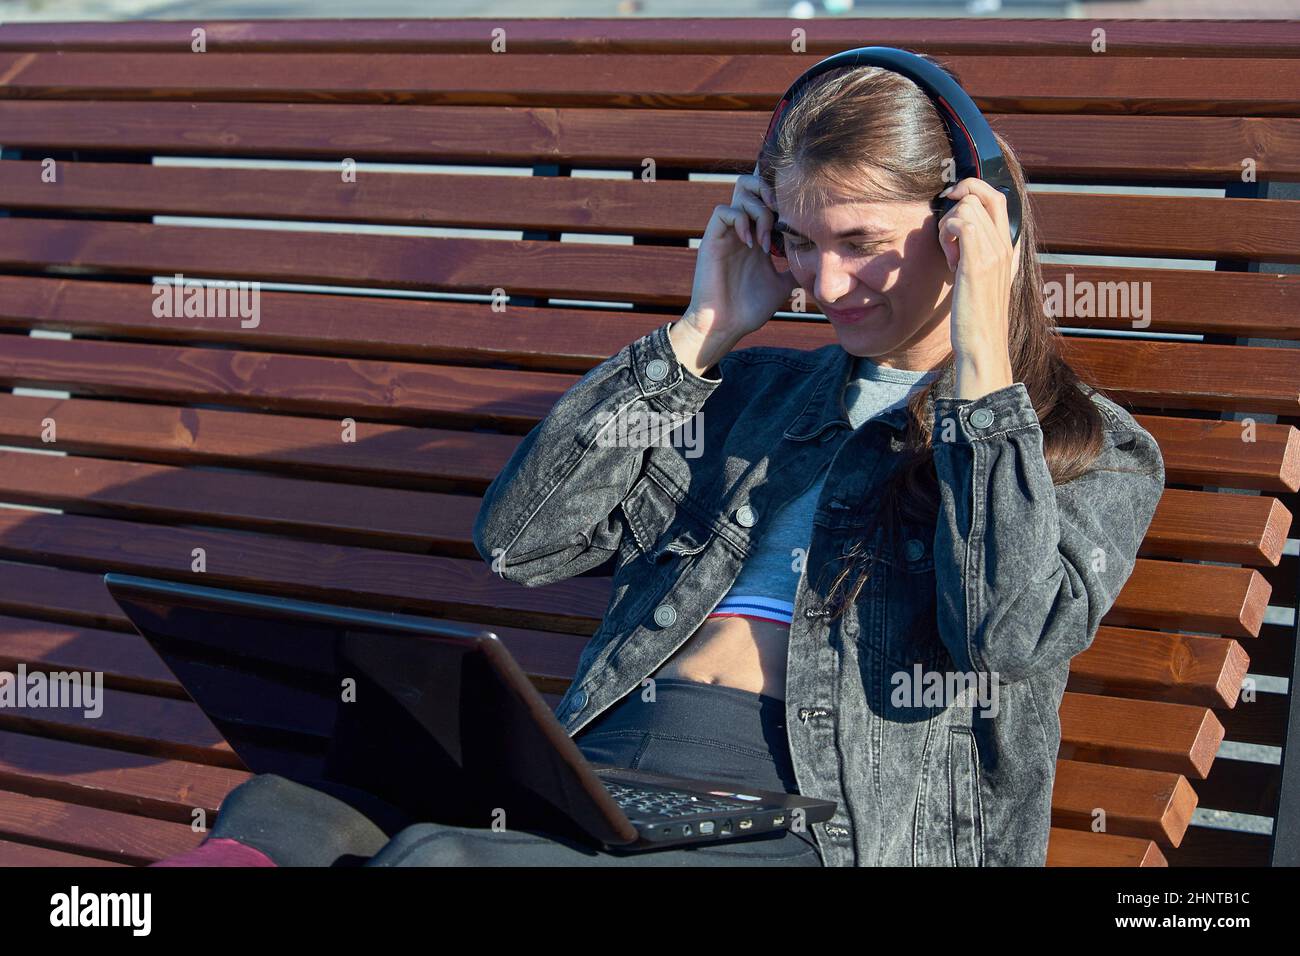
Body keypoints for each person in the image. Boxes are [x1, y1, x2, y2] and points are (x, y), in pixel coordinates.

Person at [153, 54, 1164, 867]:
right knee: (289, 811)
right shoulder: (744, 397)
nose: (825, 281)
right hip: (607, 775)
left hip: (814, 823)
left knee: (442, 859)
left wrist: (982, 368)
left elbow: (1002, 634)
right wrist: (697, 336)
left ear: (973, 228)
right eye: (800, 242)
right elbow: (523, 540)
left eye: (861, 240)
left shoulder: (1085, 446)